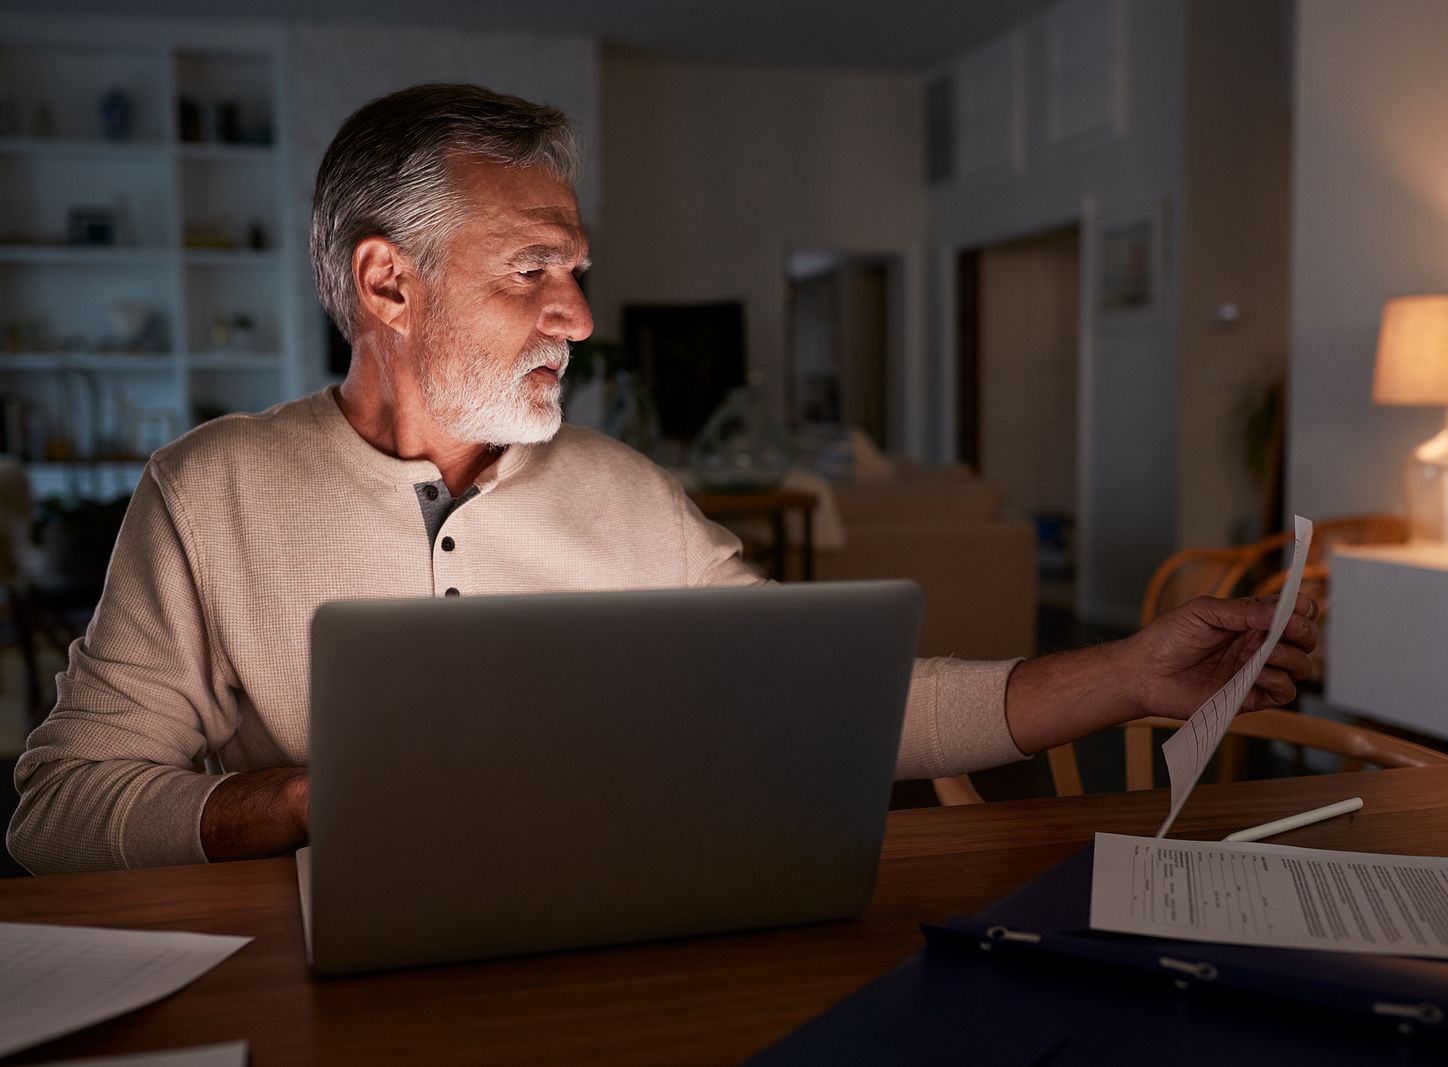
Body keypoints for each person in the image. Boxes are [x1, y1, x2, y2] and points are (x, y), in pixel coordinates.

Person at [7, 84, 1317, 875]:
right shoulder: (209, 492)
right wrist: (307, 804)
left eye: (576, 272)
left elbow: (836, 703)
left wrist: (1125, 674)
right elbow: (57, 810)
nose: (578, 317)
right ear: (387, 283)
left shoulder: (625, 491)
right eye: (533, 270)